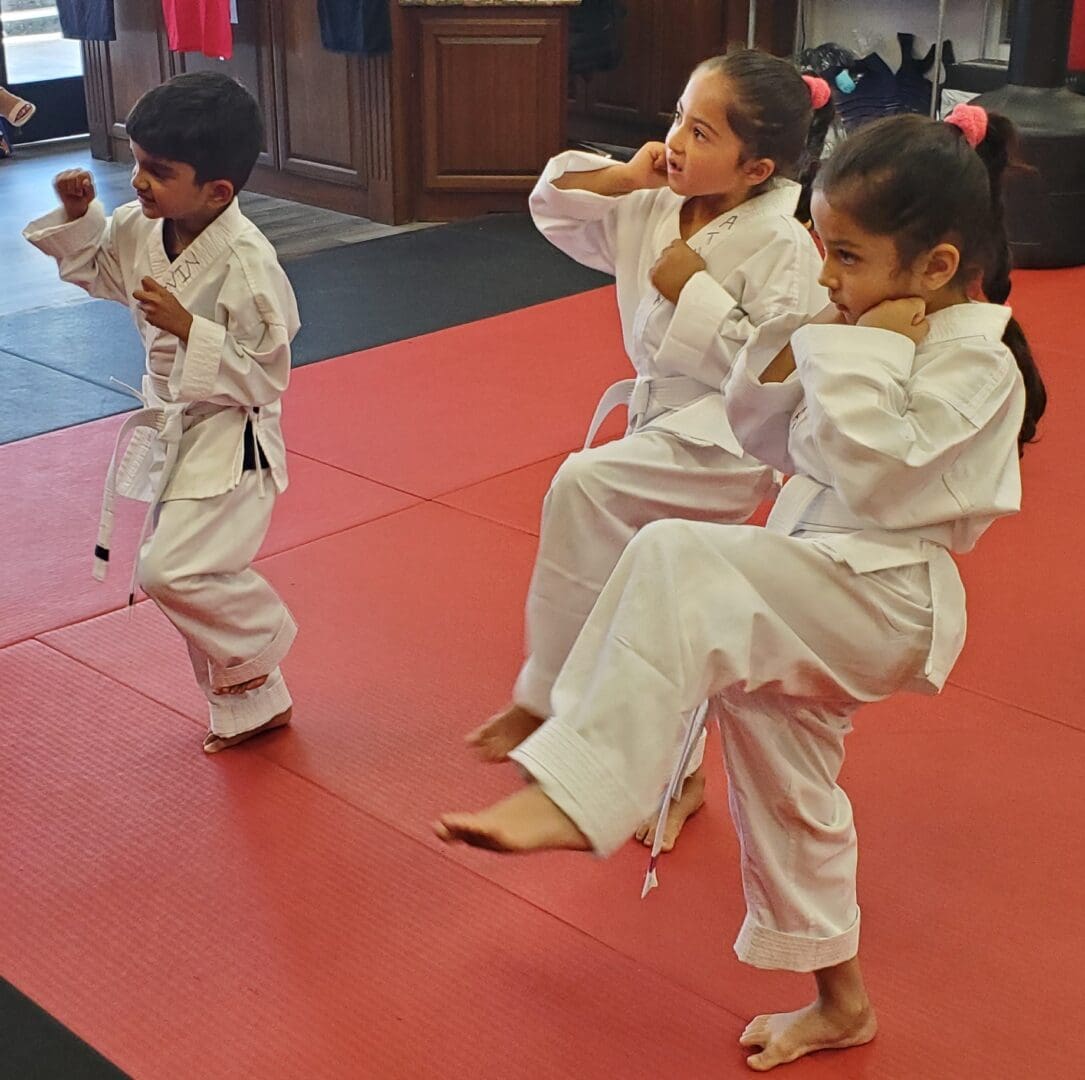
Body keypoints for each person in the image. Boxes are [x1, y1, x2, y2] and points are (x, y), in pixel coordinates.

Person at [436, 104, 1046, 1071]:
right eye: (821, 251)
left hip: (883, 600)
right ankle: (839, 1001)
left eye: (844, 258)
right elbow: (771, 442)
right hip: (810, 586)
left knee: (678, 556)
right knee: (785, 791)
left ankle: (583, 786)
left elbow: (881, 477)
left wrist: (861, 349)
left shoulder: (977, 362)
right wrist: (810, 340)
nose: (826, 277)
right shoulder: (863, 326)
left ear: (934, 267)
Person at [468, 51, 834, 853]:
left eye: (699, 132)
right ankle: (679, 774)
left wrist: (693, 287)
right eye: (675, 116)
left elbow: (774, 380)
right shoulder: (657, 203)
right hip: (657, 429)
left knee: (582, 485)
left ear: (757, 167)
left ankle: (549, 698)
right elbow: (554, 207)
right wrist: (623, 180)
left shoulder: (784, 246)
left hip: (729, 439)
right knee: (652, 607)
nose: (673, 140)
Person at [24, 72, 300, 754]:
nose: (139, 181)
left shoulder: (248, 263)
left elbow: (267, 374)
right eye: (138, 162)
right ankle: (248, 704)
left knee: (171, 571)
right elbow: (98, 269)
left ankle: (262, 647)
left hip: (232, 435)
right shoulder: (142, 228)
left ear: (217, 190)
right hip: (175, 426)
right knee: (181, 570)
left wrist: (188, 329)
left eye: (158, 171)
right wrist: (79, 214)